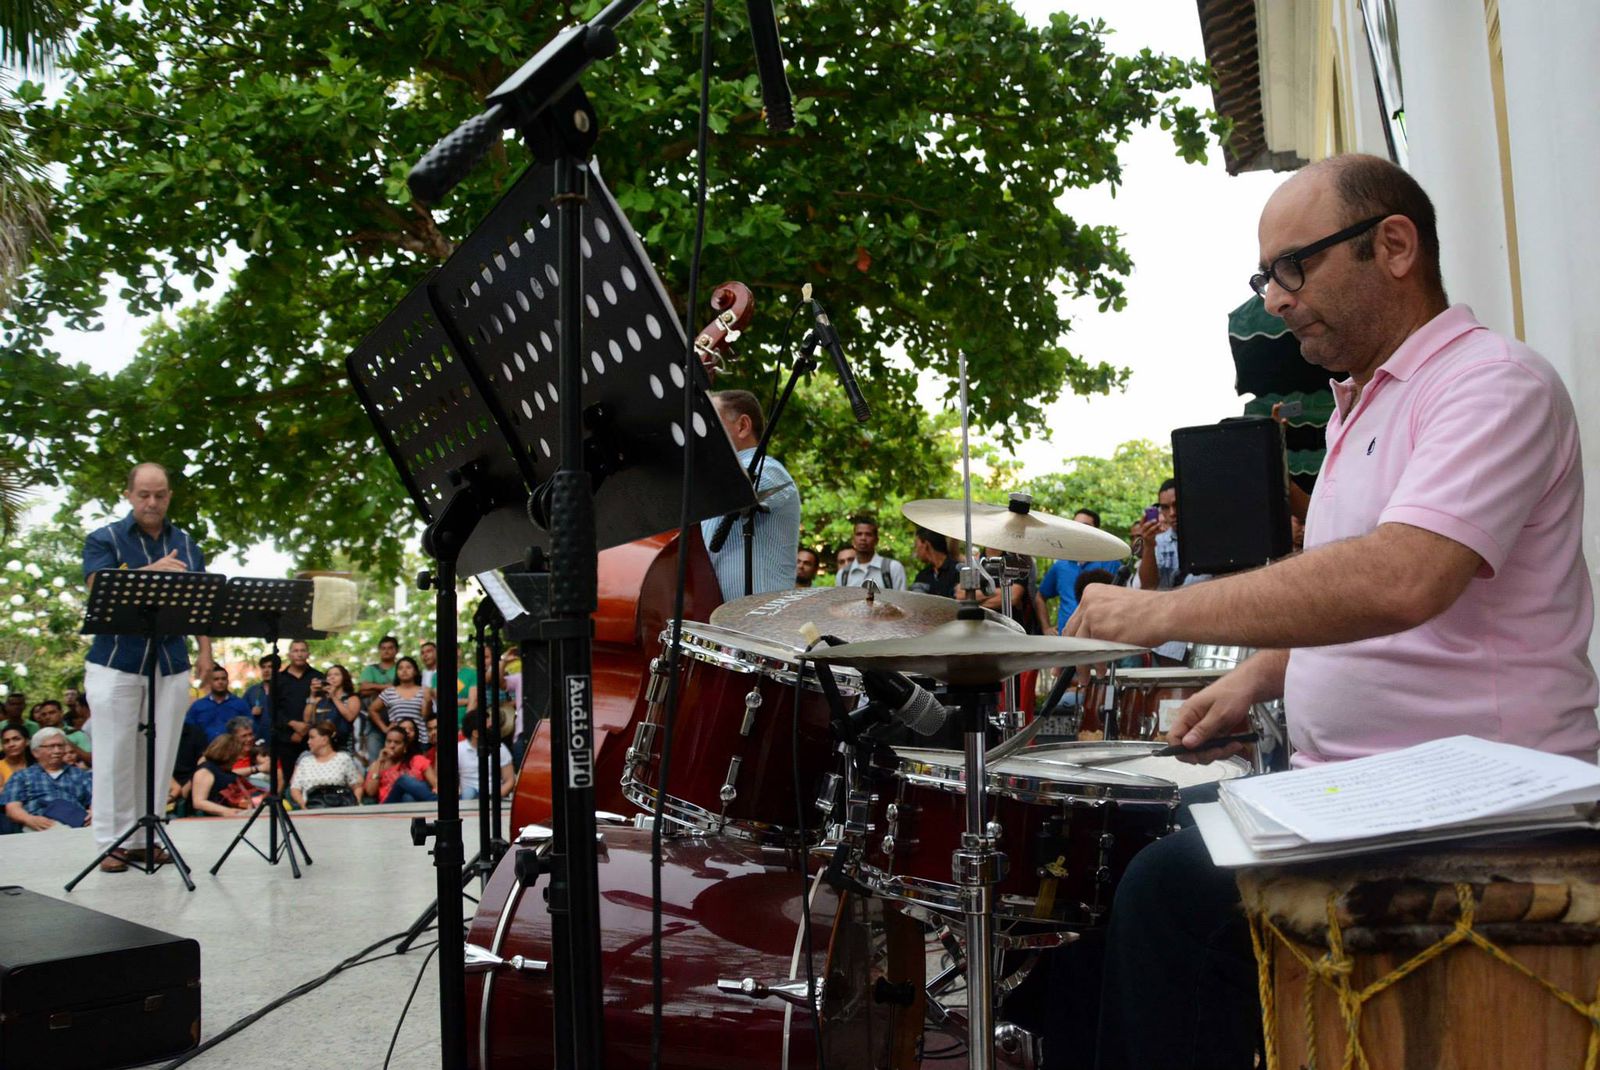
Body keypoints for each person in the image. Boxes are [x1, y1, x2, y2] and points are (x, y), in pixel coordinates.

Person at [1062, 153, 1600, 1070]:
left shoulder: (1492, 384)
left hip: (1478, 805)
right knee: (1103, 894)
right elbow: (1352, 600)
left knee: (1167, 897)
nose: (1273, 298)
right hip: (1371, 795)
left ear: (1394, 245)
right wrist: (1255, 675)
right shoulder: (1359, 405)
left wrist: (1160, 615)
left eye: (1291, 267)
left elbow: (1403, 579)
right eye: (1263, 276)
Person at [82, 462, 214, 866]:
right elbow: (96, 589)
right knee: (115, 749)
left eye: (160, 494)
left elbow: (201, 603)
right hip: (116, 659)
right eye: (144, 495)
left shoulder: (188, 544)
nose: (152, 502)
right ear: (128, 495)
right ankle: (111, 842)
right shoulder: (103, 539)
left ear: (169, 495)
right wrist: (149, 574)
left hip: (171, 660)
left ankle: (146, 836)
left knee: (160, 751)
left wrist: (205, 650)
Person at [699, 389, 802, 601]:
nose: (699, 431)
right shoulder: (707, 484)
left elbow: (732, 487)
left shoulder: (770, 470)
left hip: (760, 624)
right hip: (720, 624)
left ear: (743, 426)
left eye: (710, 421)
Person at [1036, 509, 1125, 634]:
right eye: (1075, 525)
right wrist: (1046, 628)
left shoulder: (1111, 564)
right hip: (1065, 640)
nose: (1079, 530)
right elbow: (1040, 596)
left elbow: (1122, 603)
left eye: (1085, 526)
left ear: (1097, 531)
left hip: (1099, 639)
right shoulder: (1061, 565)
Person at [1, 727, 94, 834]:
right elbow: (12, 809)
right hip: (39, 826)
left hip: (77, 824)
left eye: (60, 746)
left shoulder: (80, 774)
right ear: (36, 752)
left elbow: (95, 800)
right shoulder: (22, 776)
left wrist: (93, 812)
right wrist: (29, 819)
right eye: (51, 746)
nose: (57, 750)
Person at [272, 639, 323, 776]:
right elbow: (273, 709)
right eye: (295, 651)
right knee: (289, 778)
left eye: (302, 651)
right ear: (289, 655)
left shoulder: (318, 677)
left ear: (308, 654)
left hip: (313, 738)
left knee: (314, 776)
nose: (299, 654)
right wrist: (293, 724)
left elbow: (323, 707)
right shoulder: (278, 679)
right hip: (286, 737)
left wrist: (303, 730)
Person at [288, 720, 364, 808]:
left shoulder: (342, 759)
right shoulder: (305, 761)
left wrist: (355, 804)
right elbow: (295, 788)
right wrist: (303, 805)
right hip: (312, 809)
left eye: (312, 738)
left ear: (324, 739)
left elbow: (356, 785)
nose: (308, 742)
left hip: (340, 808)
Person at [189, 733, 256, 817]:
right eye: (237, 754)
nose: (240, 758)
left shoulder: (226, 771)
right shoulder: (205, 771)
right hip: (216, 818)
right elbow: (198, 802)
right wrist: (225, 811)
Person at [365, 726, 437, 804]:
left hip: (416, 804)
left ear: (405, 747)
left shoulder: (418, 760)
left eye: (397, 742)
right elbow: (371, 792)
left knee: (408, 797)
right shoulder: (377, 765)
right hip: (389, 806)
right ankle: (436, 800)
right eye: (389, 741)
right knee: (403, 780)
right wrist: (380, 762)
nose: (392, 746)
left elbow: (435, 784)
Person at [370, 656, 431, 747]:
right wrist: (385, 729)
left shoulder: (424, 691)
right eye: (400, 668)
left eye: (408, 667)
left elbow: (425, 715)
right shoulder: (389, 692)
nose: (404, 670)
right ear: (397, 673)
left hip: (421, 740)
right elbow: (372, 709)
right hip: (397, 741)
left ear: (415, 671)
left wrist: (428, 701)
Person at [183, 666, 253, 742]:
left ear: (227, 681)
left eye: (223, 679)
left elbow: (250, 727)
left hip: (233, 749)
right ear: (210, 682)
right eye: (216, 679)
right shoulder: (198, 706)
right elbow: (189, 730)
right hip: (204, 750)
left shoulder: (240, 704)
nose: (220, 682)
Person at [836, 515, 907, 590]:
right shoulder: (843, 574)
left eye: (868, 534)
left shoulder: (893, 568)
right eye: (859, 534)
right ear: (853, 539)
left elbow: (902, 600)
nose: (863, 538)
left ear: (876, 540)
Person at [456, 711, 513, 801]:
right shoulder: (459, 749)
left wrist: (493, 798)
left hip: (493, 798)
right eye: (489, 727)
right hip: (468, 799)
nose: (493, 730)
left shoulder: (500, 748)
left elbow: (510, 780)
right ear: (475, 733)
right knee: (468, 792)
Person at [304, 663, 360, 754]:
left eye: (336, 674)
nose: (332, 677)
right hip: (319, 745)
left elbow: (350, 717)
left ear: (344, 678)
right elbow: (307, 719)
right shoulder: (320, 700)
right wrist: (312, 695)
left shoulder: (352, 698)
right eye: (329, 675)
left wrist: (333, 697)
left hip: (343, 746)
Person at [33, 700, 91, 766]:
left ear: (61, 713)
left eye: (52, 713)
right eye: (44, 714)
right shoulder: (38, 736)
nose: (47, 717)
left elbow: (89, 758)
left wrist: (66, 741)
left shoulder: (76, 733)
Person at [909, 527, 959, 597]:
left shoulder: (958, 571)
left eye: (916, 545)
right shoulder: (922, 576)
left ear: (926, 545)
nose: (916, 551)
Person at [242, 654, 274, 740]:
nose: (266, 670)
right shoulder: (252, 691)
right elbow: (241, 717)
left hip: (280, 741)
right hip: (257, 740)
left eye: (270, 667)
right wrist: (251, 713)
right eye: (263, 667)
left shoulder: (284, 690)